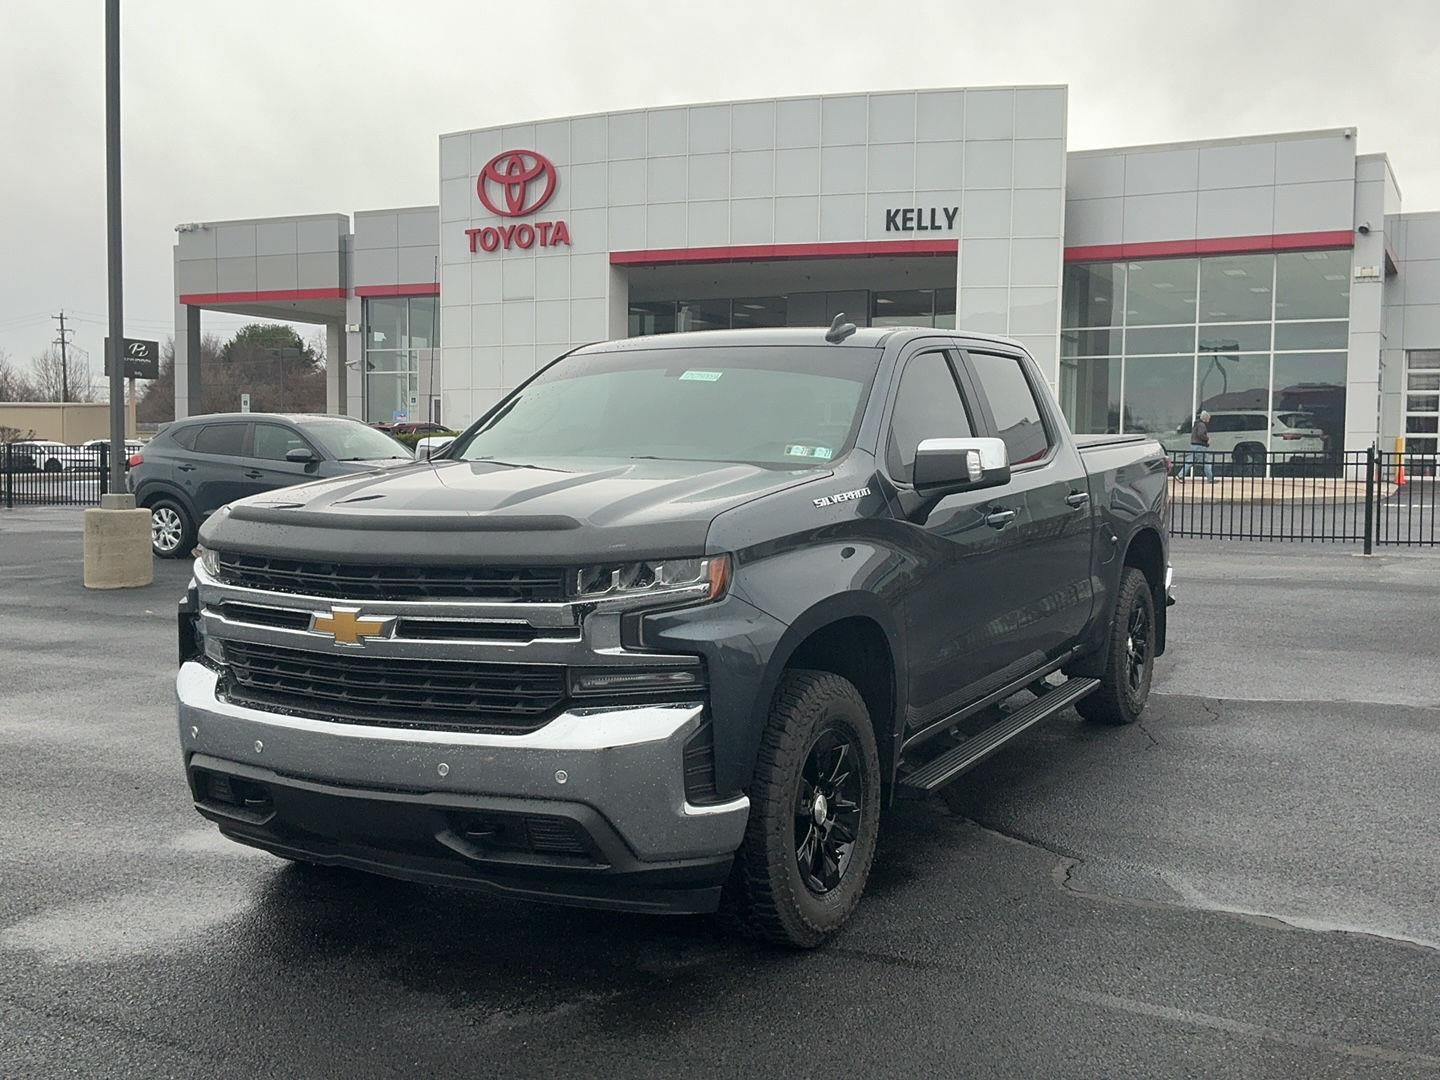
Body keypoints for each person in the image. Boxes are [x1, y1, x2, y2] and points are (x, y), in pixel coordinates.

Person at [1179, 410, 1215, 482]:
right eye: (1208, 418)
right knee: (1207, 461)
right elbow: (1201, 434)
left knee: (1191, 461)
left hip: (1195, 446)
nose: (1209, 420)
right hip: (1200, 446)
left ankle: (1180, 475)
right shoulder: (1202, 425)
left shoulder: (1197, 424)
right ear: (1205, 418)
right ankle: (1210, 479)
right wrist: (1207, 439)